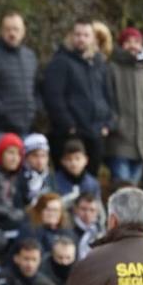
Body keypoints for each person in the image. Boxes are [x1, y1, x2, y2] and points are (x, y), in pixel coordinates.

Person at [43, 19, 113, 176]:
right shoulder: (61, 61)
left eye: (86, 35)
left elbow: (108, 95)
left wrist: (107, 123)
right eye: (77, 34)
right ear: (71, 36)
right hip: (71, 135)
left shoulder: (99, 63)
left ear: (93, 38)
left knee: (91, 181)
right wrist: (70, 126)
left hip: (96, 133)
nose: (81, 38)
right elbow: (53, 97)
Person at [0, 12, 38, 150]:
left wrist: (34, 108)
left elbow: (36, 87)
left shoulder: (30, 56)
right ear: (1, 31)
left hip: (24, 127)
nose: (12, 33)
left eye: (16, 29)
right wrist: (2, 110)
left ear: (23, 32)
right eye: (8, 29)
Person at [106, 27, 143, 185]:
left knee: (135, 192)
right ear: (121, 45)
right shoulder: (113, 67)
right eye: (128, 42)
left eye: (136, 41)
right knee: (122, 190)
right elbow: (108, 98)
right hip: (120, 139)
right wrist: (115, 123)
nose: (132, 45)